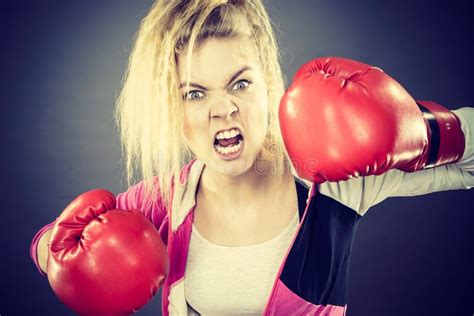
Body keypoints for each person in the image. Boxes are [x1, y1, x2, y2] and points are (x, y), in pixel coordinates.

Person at [30, 1, 473, 315]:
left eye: (240, 83)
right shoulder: (167, 199)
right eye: (196, 93)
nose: (222, 109)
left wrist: (419, 132)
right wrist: (63, 259)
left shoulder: (332, 185)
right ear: (176, 109)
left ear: (269, 85)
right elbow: (48, 242)